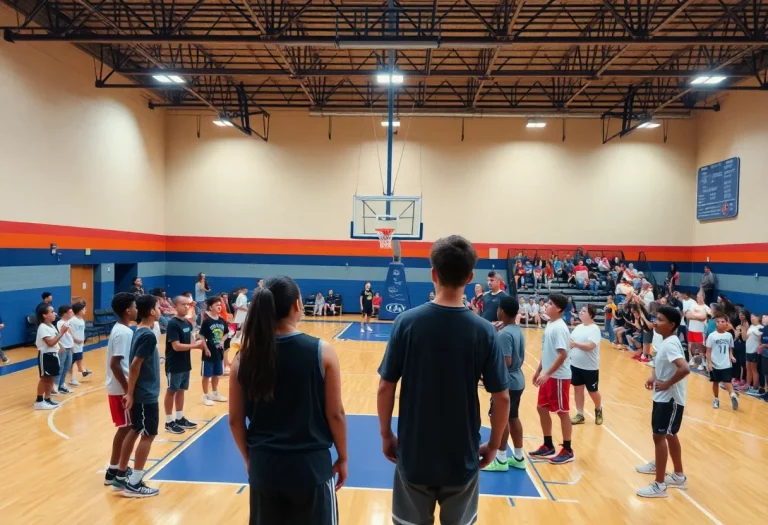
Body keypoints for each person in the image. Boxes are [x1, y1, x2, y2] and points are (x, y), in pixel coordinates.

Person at [377, 235, 510, 525]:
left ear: (433, 273)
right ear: (470, 276)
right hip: (461, 456)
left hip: (414, 455)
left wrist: (386, 434)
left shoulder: (406, 323)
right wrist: (495, 444)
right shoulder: (484, 330)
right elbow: (501, 397)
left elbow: (386, 386)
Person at [228, 276, 347, 524]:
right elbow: (336, 414)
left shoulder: (243, 358)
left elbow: (235, 420)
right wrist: (343, 457)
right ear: (296, 305)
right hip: (310, 467)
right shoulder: (322, 351)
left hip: (265, 465)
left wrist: (250, 459)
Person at [635, 306, 689, 498]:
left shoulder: (671, 343)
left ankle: (660, 486)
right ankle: (678, 475)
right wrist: (654, 376)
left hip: (670, 399)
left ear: (672, 325)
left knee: (660, 436)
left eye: (660, 319)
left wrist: (666, 383)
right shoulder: (665, 341)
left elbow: (684, 368)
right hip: (664, 397)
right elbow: (661, 362)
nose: (656, 322)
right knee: (669, 435)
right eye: (656, 318)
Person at [111, 294, 161, 497]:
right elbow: (134, 366)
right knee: (148, 435)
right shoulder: (147, 335)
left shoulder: (138, 331)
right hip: (145, 394)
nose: (160, 310)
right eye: (158, 307)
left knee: (135, 429)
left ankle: (121, 476)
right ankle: (135, 482)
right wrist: (130, 393)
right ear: (151, 311)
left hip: (142, 393)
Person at [483, 296, 526, 472]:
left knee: (500, 420)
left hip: (507, 382)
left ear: (501, 311)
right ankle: (518, 457)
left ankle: (500, 460)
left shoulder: (505, 335)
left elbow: (505, 362)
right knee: (513, 417)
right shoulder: (516, 330)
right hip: (518, 379)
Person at [530, 294, 574, 464]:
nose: (546, 306)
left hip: (558, 377)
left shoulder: (560, 328)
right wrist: (539, 370)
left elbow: (562, 355)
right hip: (548, 375)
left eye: (550, 304)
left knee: (562, 412)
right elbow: (547, 351)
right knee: (542, 408)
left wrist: (547, 373)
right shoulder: (550, 324)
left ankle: (568, 449)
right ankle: (548, 445)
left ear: (559, 309)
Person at [103, 293, 138, 486]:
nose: (136, 309)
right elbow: (116, 364)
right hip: (120, 390)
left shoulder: (122, 329)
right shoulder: (124, 333)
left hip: (120, 388)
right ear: (128, 310)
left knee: (126, 429)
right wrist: (128, 390)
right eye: (134, 306)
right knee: (126, 429)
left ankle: (115, 468)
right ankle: (114, 471)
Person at [164, 295, 206, 434]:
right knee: (172, 391)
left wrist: (200, 345)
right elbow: (176, 346)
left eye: (188, 305)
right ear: (175, 306)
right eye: (184, 305)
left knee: (181, 390)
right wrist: (195, 346)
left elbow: (192, 339)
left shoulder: (187, 323)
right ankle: (169, 421)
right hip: (174, 364)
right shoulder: (173, 324)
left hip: (185, 363)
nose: (187, 307)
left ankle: (180, 417)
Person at [569, 305, 604, 426]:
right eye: (581, 310)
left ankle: (598, 409)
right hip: (575, 365)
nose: (581, 312)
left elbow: (590, 346)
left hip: (590, 367)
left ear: (591, 315)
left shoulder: (594, 329)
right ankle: (580, 414)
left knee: (592, 391)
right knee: (577, 389)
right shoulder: (578, 327)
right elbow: (570, 342)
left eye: (584, 311)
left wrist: (575, 344)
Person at [34, 305, 69, 409]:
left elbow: (55, 340)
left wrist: (60, 346)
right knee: (45, 378)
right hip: (46, 355)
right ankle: (39, 401)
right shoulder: (42, 327)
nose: (55, 314)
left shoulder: (51, 326)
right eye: (52, 312)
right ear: (44, 315)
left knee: (51, 377)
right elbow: (50, 342)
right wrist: (62, 332)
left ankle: (48, 399)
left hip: (53, 355)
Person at [199, 296, 229, 406]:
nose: (219, 307)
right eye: (217, 305)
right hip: (209, 352)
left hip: (219, 352)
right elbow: (201, 336)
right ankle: (205, 395)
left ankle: (215, 393)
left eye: (220, 305)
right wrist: (206, 348)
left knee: (217, 374)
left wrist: (222, 341)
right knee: (206, 375)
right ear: (211, 307)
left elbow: (226, 333)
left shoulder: (222, 320)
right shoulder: (207, 321)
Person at [705, 313, 738, 410]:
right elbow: (708, 351)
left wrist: (731, 356)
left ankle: (732, 395)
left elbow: (730, 348)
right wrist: (709, 363)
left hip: (726, 363)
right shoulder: (712, 336)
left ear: (726, 323)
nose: (720, 323)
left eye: (722, 322)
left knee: (727, 381)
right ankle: (716, 399)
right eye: (718, 322)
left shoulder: (729, 336)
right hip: (715, 363)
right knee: (715, 382)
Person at [686, 293, 710, 370]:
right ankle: (693, 359)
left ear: (703, 297)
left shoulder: (706, 307)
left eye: (699, 297)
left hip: (700, 330)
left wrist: (693, 315)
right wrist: (697, 317)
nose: (698, 298)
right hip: (691, 329)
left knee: (700, 347)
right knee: (691, 345)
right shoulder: (693, 305)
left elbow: (703, 318)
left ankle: (702, 363)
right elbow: (687, 315)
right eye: (697, 297)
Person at [55, 305, 75, 394]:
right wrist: (60, 345)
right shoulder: (60, 323)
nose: (72, 313)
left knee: (66, 367)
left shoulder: (68, 322)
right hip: (63, 349)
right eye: (70, 312)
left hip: (69, 347)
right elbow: (60, 335)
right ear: (64, 314)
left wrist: (72, 346)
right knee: (60, 367)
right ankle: (55, 386)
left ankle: (61, 385)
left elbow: (70, 336)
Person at [745, 313, 762, 395]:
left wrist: (757, 350)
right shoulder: (751, 327)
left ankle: (755, 388)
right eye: (751, 317)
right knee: (748, 369)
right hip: (748, 350)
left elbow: (760, 341)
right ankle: (748, 385)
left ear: (758, 318)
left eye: (753, 317)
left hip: (754, 351)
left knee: (754, 370)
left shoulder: (760, 328)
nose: (751, 318)